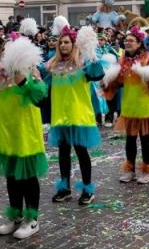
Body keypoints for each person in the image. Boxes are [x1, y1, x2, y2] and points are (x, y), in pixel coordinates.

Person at [0, 37, 49, 239]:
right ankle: (16, 216)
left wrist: (23, 81)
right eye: (3, 50)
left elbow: (41, 98)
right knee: (11, 177)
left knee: (28, 177)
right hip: (6, 133)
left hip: (25, 134)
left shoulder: (30, 71)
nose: (6, 53)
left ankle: (32, 220)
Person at [45, 24, 105, 206]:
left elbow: (98, 74)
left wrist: (92, 55)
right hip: (60, 116)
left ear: (74, 44)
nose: (63, 45)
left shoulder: (83, 64)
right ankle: (65, 189)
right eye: (61, 42)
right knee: (63, 153)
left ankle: (87, 189)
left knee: (81, 152)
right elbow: (41, 83)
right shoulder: (52, 65)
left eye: (66, 42)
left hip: (79, 116)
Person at [103, 26, 149, 184]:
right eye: (126, 40)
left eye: (131, 40)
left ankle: (146, 171)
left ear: (139, 43)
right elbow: (119, 82)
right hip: (130, 105)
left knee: (145, 140)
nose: (127, 42)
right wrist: (107, 82)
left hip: (147, 107)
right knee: (130, 140)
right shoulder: (123, 60)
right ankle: (130, 171)